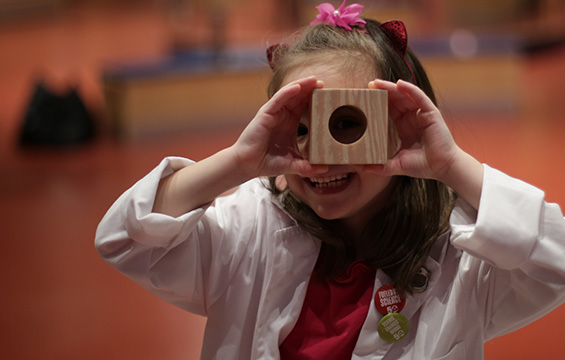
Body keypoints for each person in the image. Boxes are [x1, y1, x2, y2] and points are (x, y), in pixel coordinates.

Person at [95, 1, 565, 358]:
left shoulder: (462, 255)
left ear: (396, 124)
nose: (320, 159)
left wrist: (451, 166)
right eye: (300, 127)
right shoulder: (247, 228)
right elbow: (124, 239)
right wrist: (238, 162)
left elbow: (556, 261)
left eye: (347, 124)